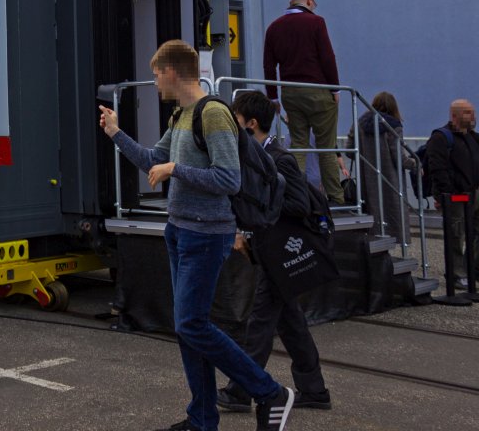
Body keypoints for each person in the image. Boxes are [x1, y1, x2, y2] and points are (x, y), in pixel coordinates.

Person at [99, 40, 294, 431]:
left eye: (156, 74)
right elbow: (154, 161)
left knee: (191, 324)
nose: (154, 81)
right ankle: (202, 419)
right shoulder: (181, 116)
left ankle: (269, 392)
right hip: (180, 230)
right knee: (189, 328)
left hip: (208, 235)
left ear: (172, 71)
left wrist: (176, 170)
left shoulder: (215, 114)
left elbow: (229, 178)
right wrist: (117, 134)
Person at [218, 90, 331, 414]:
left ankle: (241, 391)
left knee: (260, 324)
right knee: (290, 324)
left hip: (280, 254)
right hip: (270, 252)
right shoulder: (255, 157)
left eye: (237, 121)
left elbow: (299, 204)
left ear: (251, 124)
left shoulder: (279, 159)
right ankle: (314, 390)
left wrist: (257, 217)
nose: (233, 128)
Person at [263, 0, 344, 204]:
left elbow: (269, 65)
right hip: (318, 91)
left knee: (298, 145)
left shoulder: (274, 27)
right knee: (326, 147)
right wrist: (335, 88)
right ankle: (336, 199)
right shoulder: (316, 22)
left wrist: (273, 97)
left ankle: (296, 195)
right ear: (308, 0)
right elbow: (327, 57)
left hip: (289, 92)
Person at [345, 92, 418, 245]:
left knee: (372, 215)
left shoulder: (359, 123)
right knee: (393, 217)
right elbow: (399, 158)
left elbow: (349, 150)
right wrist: (415, 163)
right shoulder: (393, 126)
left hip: (367, 180)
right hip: (391, 182)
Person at [426, 99, 479, 289]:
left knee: (474, 232)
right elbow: (437, 167)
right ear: (454, 115)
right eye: (467, 112)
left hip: (474, 193)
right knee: (456, 235)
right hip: (455, 196)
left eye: (472, 112)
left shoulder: (473, 137)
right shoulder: (441, 137)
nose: (472, 116)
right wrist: (445, 194)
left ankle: (472, 268)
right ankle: (456, 274)